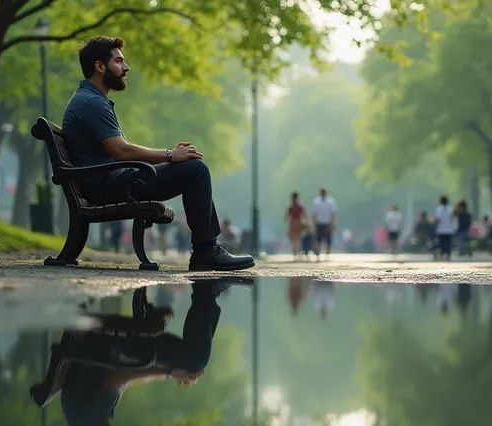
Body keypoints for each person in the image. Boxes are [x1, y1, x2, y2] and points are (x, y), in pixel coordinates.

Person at [61, 36, 253, 271]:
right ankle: (205, 250)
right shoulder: (91, 103)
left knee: (193, 168)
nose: (126, 67)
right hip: (108, 185)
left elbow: (119, 150)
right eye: (119, 61)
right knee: (195, 170)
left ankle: (206, 249)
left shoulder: (90, 100)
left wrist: (170, 157)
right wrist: (171, 155)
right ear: (100, 67)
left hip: (108, 181)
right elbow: (121, 150)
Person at [60, 279, 244, 425]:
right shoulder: (88, 418)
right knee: (191, 363)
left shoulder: (88, 420)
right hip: (112, 348)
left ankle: (206, 291)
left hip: (112, 343)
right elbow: (124, 379)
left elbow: (119, 377)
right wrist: (169, 372)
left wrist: (169, 372)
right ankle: (209, 292)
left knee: (194, 361)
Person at [312, 188, 337, 260]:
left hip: (328, 223)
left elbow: (333, 213)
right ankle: (318, 255)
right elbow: (314, 214)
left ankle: (327, 255)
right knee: (318, 240)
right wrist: (314, 224)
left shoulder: (331, 201)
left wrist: (332, 223)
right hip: (319, 223)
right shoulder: (316, 201)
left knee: (328, 240)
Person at [285, 192, 307, 260]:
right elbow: (304, 214)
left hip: (293, 222)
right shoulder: (299, 206)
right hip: (298, 222)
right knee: (298, 239)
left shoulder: (291, 206)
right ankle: (297, 253)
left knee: (294, 240)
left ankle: (295, 253)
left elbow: (286, 216)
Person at [435, 195, 454, 260]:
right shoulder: (450, 209)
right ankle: (448, 255)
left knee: (442, 243)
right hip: (449, 229)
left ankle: (442, 255)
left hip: (441, 229)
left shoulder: (439, 209)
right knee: (448, 243)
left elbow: (438, 219)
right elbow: (452, 218)